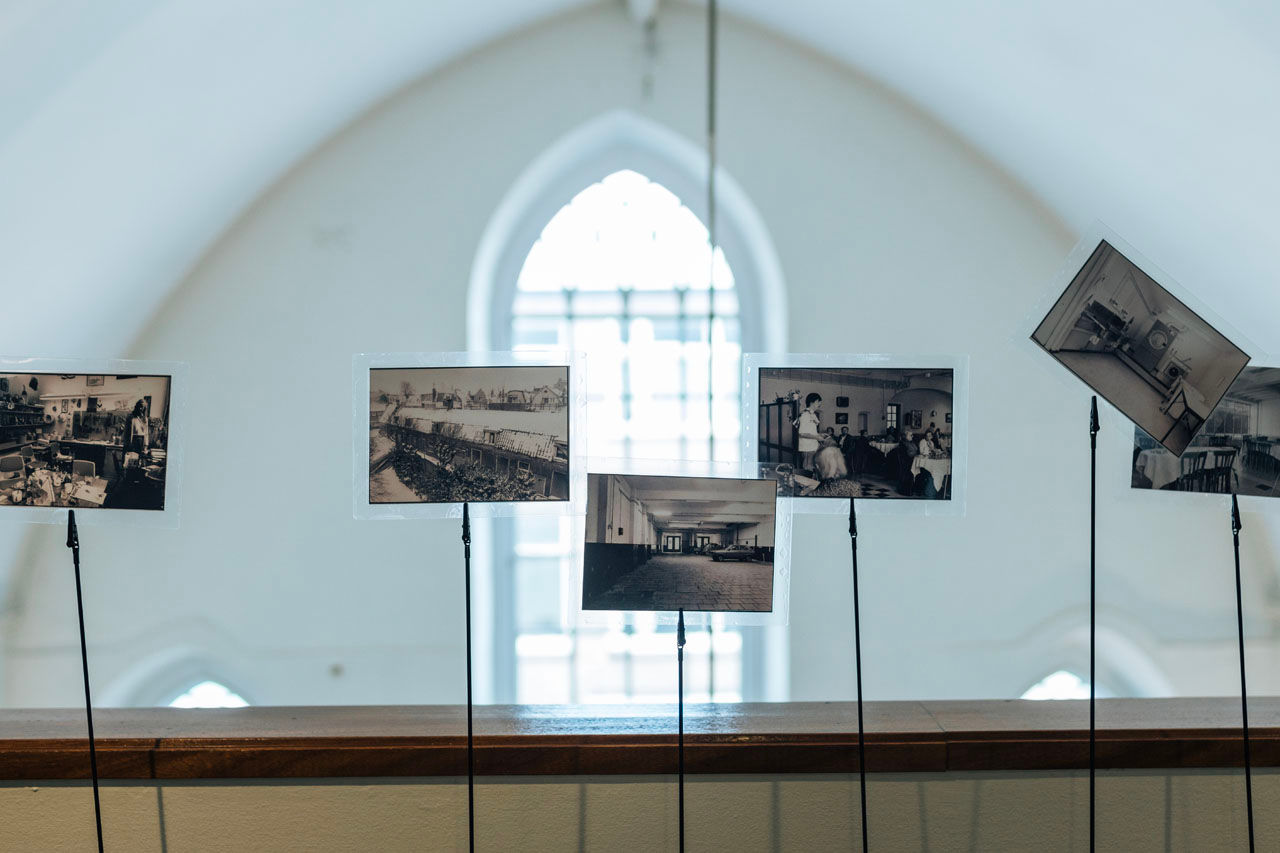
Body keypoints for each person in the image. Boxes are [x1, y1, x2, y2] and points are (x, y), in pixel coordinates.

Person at [793, 393, 822, 473]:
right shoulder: (805, 415)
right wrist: (817, 437)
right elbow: (802, 433)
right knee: (807, 469)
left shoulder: (812, 415)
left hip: (813, 447)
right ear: (812, 402)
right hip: (807, 448)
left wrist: (820, 435)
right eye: (818, 401)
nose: (820, 403)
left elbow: (811, 431)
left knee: (812, 468)